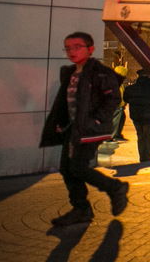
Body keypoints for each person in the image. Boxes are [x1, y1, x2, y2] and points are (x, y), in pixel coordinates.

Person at [40, 31, 130, 226]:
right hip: (73, 129)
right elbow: (66, 103)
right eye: (68, 48)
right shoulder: (70, 73)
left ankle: (115, 188)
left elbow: (113, 98)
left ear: (90, 50)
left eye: (77, 47)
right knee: (66, 168)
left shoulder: (100, 73)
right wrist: (61, 124)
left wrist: (96, 121)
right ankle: (81, 209)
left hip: (90, 130)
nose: (72, 51)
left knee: (78, 167)